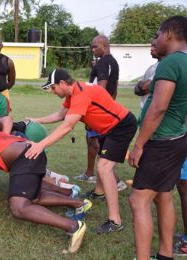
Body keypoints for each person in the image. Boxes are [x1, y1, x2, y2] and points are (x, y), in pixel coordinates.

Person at [0, 125, 90, 253]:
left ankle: (73, 226)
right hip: (30, 150)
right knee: (33, 197)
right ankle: (78, 203)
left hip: (25, 157)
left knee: (18, 207)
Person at [26, 68, 137, 234]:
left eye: (53, 87)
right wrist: (36, 120)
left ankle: (115, 221)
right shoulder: (73, 94)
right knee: (103, 162)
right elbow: (60, 115)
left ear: (63, 83)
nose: (52, 91)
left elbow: (67, 127)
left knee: (104, 168)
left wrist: (40, 145)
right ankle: (99, 193)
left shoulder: (81, 94)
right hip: (108, 128)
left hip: (121, 126)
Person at [128, 16, 187, 260]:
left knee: (138, 200)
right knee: (163, 195)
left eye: (158, 34)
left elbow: (158, 108)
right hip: (178, 138)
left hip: (161, 141)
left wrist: (139, 144)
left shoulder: (170, 63)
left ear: (170, 34)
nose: (156, 40)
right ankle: (165, 254)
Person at [75, 35, 121, 188]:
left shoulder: (104, 62)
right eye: (92, 46)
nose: (92, 49)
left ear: (105, 45)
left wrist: (93, 108)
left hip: (98, 109)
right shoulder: (112, 62)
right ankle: (89, 173)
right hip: (105, 107)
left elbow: (101, 88)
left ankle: (117, 181)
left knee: (98, 144)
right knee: (91, 141)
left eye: (96, 47)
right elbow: (114, 87)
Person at [134, 39, 162, 110]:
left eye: (154, 46)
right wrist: (143, 87)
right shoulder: (152, 67)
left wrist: (143, 87)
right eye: (151, 46)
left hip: (151, 110)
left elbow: (145, 87)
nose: (151, 49)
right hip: (144, 108)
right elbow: (138, 87)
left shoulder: (162, 66)